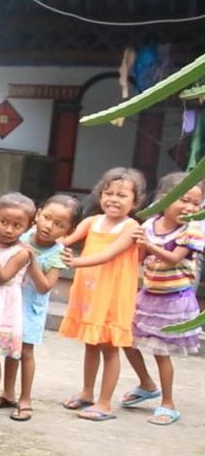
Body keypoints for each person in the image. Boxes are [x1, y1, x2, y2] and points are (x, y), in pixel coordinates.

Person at [59, 167, 145, 422]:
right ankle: (87, 392)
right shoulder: (91, 221)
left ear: (135, 201)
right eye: (109, 193)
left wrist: (74, 262)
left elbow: (107, 255)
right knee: (91, 344)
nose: (114, 199)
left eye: (122, 195)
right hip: (89, 294)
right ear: (100, 195)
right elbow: (64, 241)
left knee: (109, 348)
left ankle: (105, 402)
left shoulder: (131, 227)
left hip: (112, 296)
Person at [124, 172, 204, 425]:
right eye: (183, 200)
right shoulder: (150, 225)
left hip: (174, 300)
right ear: (163, 199)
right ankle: (147, 384)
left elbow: (173, 258)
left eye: (196, 203)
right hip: (148, 295)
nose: (190, 207)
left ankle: (168, 403)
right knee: (125, 340)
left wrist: (147, 244)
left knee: (161, 352)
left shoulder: (192, 229)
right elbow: (138, 256)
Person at [1, 195, 80, 422]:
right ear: (37, 214)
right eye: (46, 217)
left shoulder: (58, 253)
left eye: (59, 225)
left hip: (31, 308)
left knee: (26, 352)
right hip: (11, 302)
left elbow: (45, 286)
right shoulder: (21, 235)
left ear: (69, 230)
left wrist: (31, 260)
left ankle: (25, 398)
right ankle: (7, 393)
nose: (48, 226)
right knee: (10, 349)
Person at [0, 193, 35, 425]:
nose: (9, 229)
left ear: (28, 226)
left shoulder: (22, 252)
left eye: (17, 225)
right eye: (4, 222)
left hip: (3, 309)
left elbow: (1, 278)